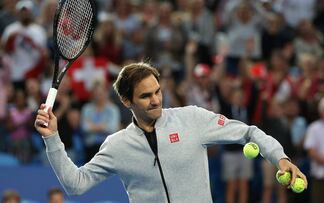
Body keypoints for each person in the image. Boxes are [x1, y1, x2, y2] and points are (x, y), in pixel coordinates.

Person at [34, 62, 307, 203]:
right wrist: (52, 138)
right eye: (145, 96)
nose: (155, 100)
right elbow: (76, 184)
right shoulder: (117, 146)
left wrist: (280, 158)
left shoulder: (192, 119)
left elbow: (249, 132)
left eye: (157, 92)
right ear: (126, 102)